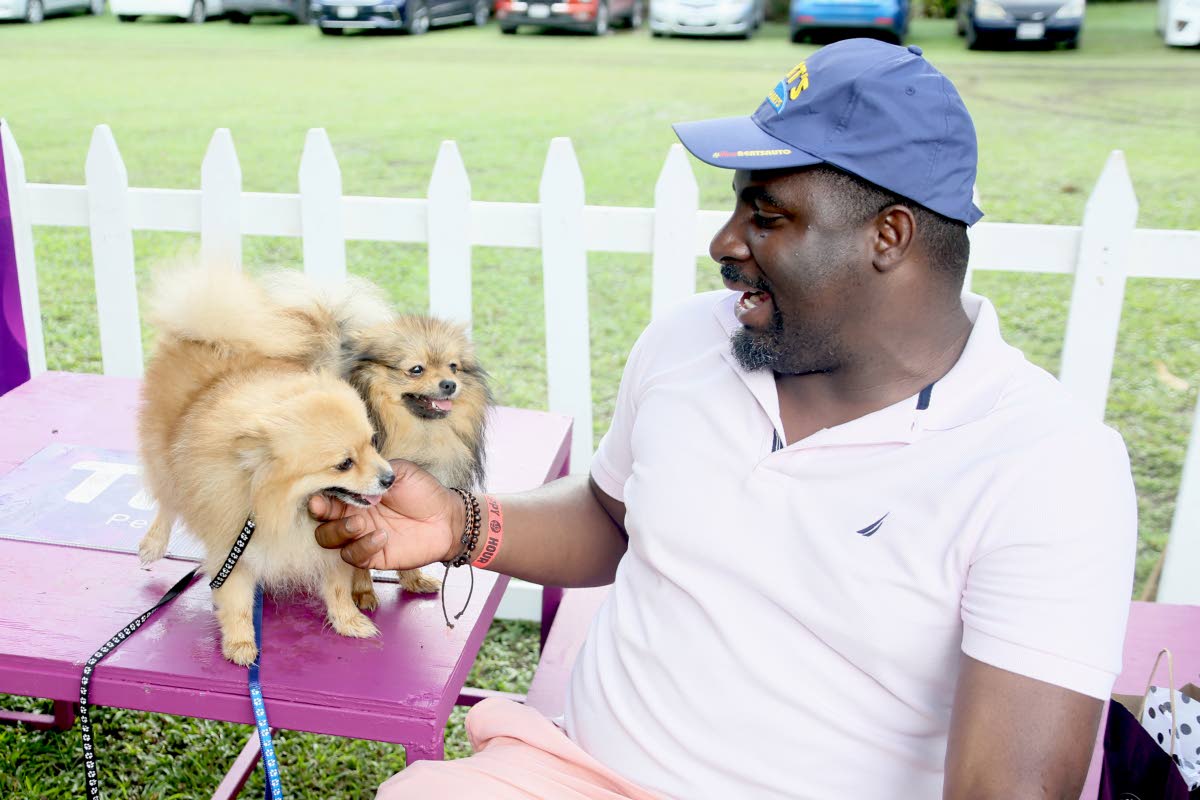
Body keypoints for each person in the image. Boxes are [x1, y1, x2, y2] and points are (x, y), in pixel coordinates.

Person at [309, 38, 1137, 799]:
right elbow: (612, 516)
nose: (724, 241)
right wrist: (459, 523)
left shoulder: (1049, 467)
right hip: (572, 773)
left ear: (888, 236)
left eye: (767, 216)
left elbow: (1009, 790)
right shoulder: (690, 341)